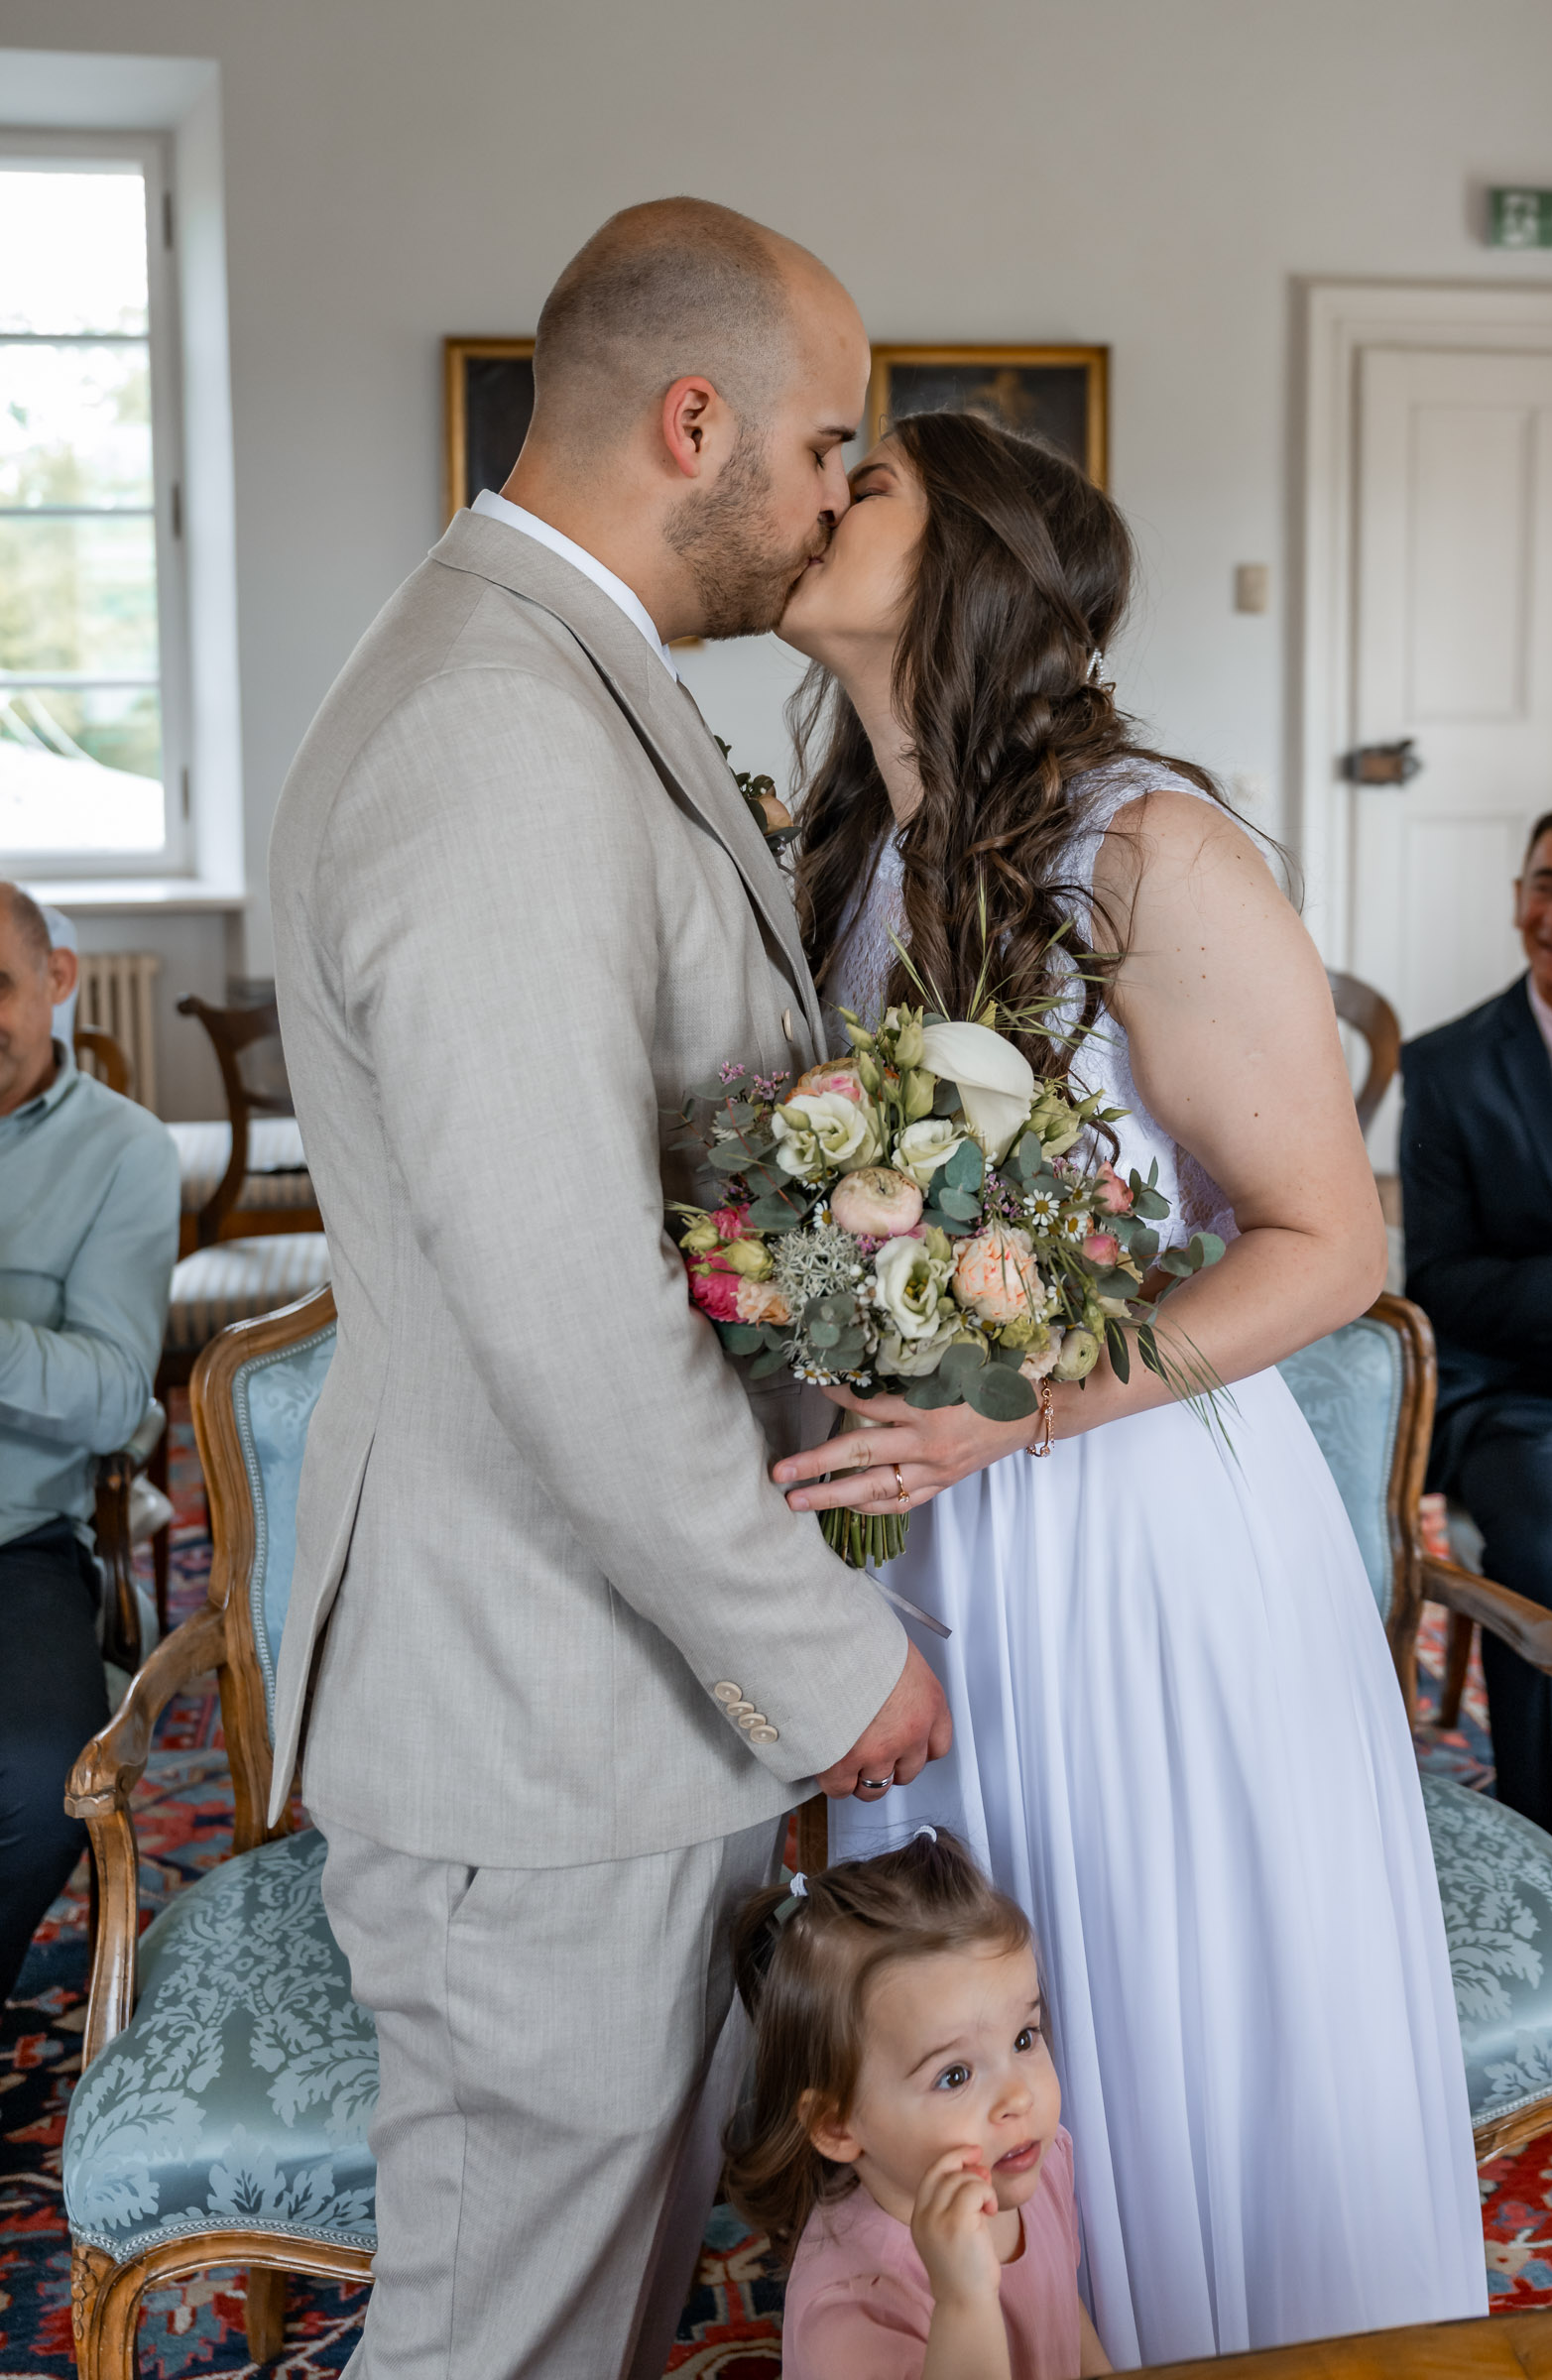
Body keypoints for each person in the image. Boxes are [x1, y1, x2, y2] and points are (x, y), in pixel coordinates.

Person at [266, 198, 950, 2380]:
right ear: (695, 423)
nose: (838, 495)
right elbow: (566, 1298)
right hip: (531, 1707)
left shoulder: (549, 671)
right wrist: (821, 1657)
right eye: (827, 445)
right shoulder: (494, 725)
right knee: (509, 2340)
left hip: (597, 1692)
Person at [769, 412, 1488, 2364]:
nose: (817, 496)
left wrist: (1026, 1409)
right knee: (966, 2021)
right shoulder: (854, 854)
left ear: (973, 563)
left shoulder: (1146, 846)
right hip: (937, 1540)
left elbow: (1327, 1243)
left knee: (1158, 1999)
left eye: (867, 479)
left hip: (1136, 1536)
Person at [726, 1827, 1110, 2380]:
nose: (1019, 2097)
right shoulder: (852, 2307)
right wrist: (964, 2303)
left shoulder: (1034, 2164)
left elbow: (1064, 2317)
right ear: (836, 2124)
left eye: (1024, 2038)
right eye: (954, 2075)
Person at [0, 882, 179, 2005]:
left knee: (39, 1777)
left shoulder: (122, 1151)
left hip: (18, 1539)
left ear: (55, 980)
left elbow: (118, 1398)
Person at [1401, 802, 1552, 1831]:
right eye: (1545, 886)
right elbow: (1438, 1280)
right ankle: (1547, 1823)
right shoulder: (1450, 1067)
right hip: (1522, 1395)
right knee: (1550, 1531)